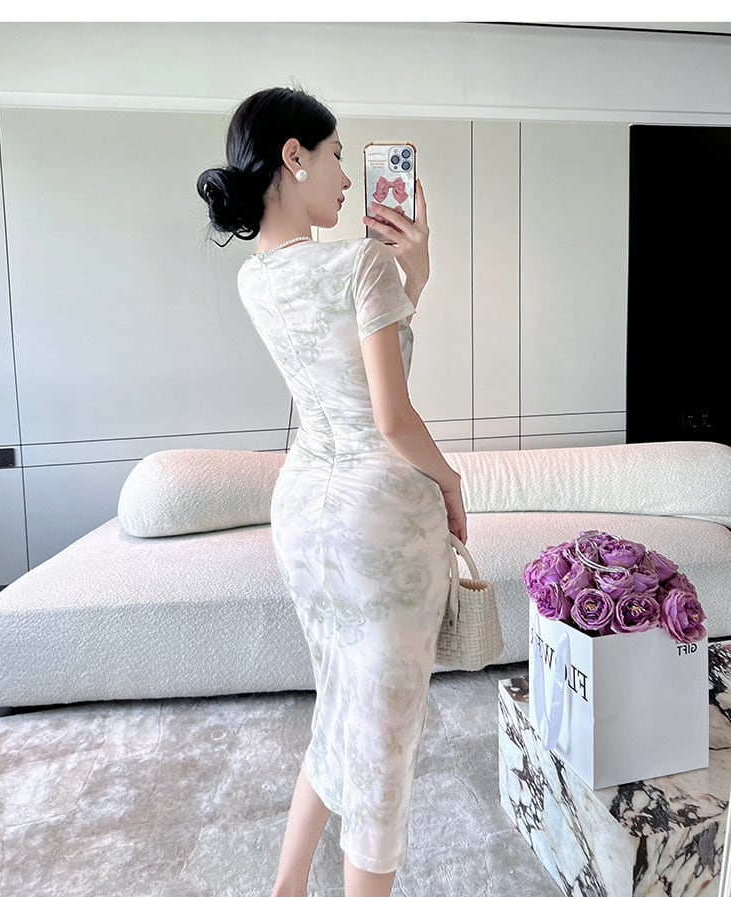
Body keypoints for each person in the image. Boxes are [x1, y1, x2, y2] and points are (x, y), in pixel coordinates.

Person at [197, 86, 467, 897]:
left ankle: (287, 885)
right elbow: (391, 418)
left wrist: (412, 278)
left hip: (305, 513)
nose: (348, 179)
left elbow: (343, 367)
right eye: (338, 156)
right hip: (379, 521)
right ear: (294, 156)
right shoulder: (361, 262)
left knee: (340, 705)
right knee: (383, 744)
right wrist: (452, 482)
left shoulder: (255, 279)